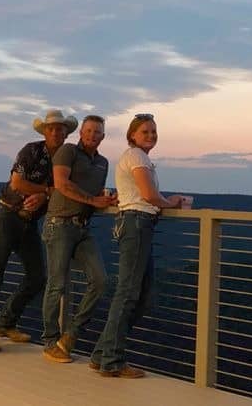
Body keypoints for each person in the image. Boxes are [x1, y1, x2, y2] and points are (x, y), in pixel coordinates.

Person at [0, 110, 78, 352]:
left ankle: (5, 323)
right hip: (7, 215)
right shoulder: (31, 150)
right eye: (51, 128)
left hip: (29, 222)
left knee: (37, 276)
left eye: (60, 128)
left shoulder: (65, 159)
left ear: (65, 133)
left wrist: (45, 195)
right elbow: (17, 183)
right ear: (45, 131)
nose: (56, 132)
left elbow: (67, 187)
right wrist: (46, 192)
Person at [90, 113, 183, 377]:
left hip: (139, 224)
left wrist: (161, 202)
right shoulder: (136, 157)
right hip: (136, 224)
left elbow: (143, 195)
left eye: (154, 131)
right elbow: (148, 195)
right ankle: (112, 361)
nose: (151, 136)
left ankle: (101, 354)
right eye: (145, 132)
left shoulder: (140, 158)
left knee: (140, 295)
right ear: (132, 135)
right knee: (129, 294)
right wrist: (172, 202)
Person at [41, 114, 117, 363]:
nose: (92, 135)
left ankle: (70, 336)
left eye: (98, 132)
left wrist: (107, 201)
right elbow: (61, 184)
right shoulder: (67, 151)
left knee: (101, 280)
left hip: (83, 228)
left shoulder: (104, 163)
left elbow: (94, 195)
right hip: (60, 224)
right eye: (89, 131)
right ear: (81, 133)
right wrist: (93, 200)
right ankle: (51, 341)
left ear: (103, 137)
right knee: (57, 285)